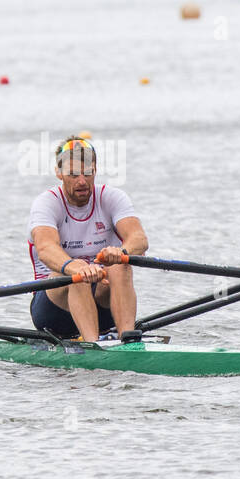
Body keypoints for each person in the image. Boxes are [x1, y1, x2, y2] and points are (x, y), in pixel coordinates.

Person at [28, 136, 148, 341]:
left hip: (103, 304)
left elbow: (139, 239)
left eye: (87, 173)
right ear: (59, 173)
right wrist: (75, 266)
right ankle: (93, 344)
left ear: (95, 170)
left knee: (120, 265)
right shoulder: (46, 203)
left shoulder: (112, 197)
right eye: (73, 174)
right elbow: (46, 248)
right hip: (54, 311)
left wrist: (122, 252)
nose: (82, 181)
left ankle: (128, 340)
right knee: (78, 273)